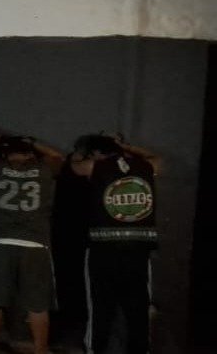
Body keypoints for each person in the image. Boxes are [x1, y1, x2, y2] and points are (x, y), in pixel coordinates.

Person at [72, 134, 161, 354]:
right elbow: (157, 158)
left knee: (100, 309)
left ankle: (96, 350)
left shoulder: (95, 166)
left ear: (95, 153)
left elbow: (75, 166)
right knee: (138, 310)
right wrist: (127, 147)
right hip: (138, 251)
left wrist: (80, 152)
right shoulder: (146, 166)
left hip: (104, 250)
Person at [0, 135, 65, 354]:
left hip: (0, 241)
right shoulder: (44, 170)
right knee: (38, 305)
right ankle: (40, 349)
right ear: (31, 154)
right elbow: (58, 157)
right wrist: (33, 142)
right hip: (35, 244)